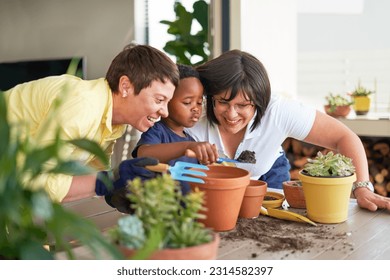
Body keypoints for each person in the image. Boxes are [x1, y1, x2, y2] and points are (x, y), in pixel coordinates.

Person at [185, 49, 390, 212]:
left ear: (259, 101)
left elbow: (344, 136)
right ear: (211, 96)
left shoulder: (278, 110)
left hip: (267, 174)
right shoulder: (192, 111)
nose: (231, 114)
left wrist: (362, 188)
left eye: (243, 105)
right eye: (223, 102)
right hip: (210, 187)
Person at [4, 44, 179, 203]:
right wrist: (110, 180)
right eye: (159, 100)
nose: (165, 112)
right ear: (126, 86)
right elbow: (31, 181)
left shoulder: (115, 122)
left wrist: (117, 191)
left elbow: (91, 175)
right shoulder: (82, 106)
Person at [131, 64, 212, 194]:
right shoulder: (157, 131)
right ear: (166, 100)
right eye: (187, 102)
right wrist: (187, 147)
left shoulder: (191, 139)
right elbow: (143, 154)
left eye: (199, 102)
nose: (196, 108)